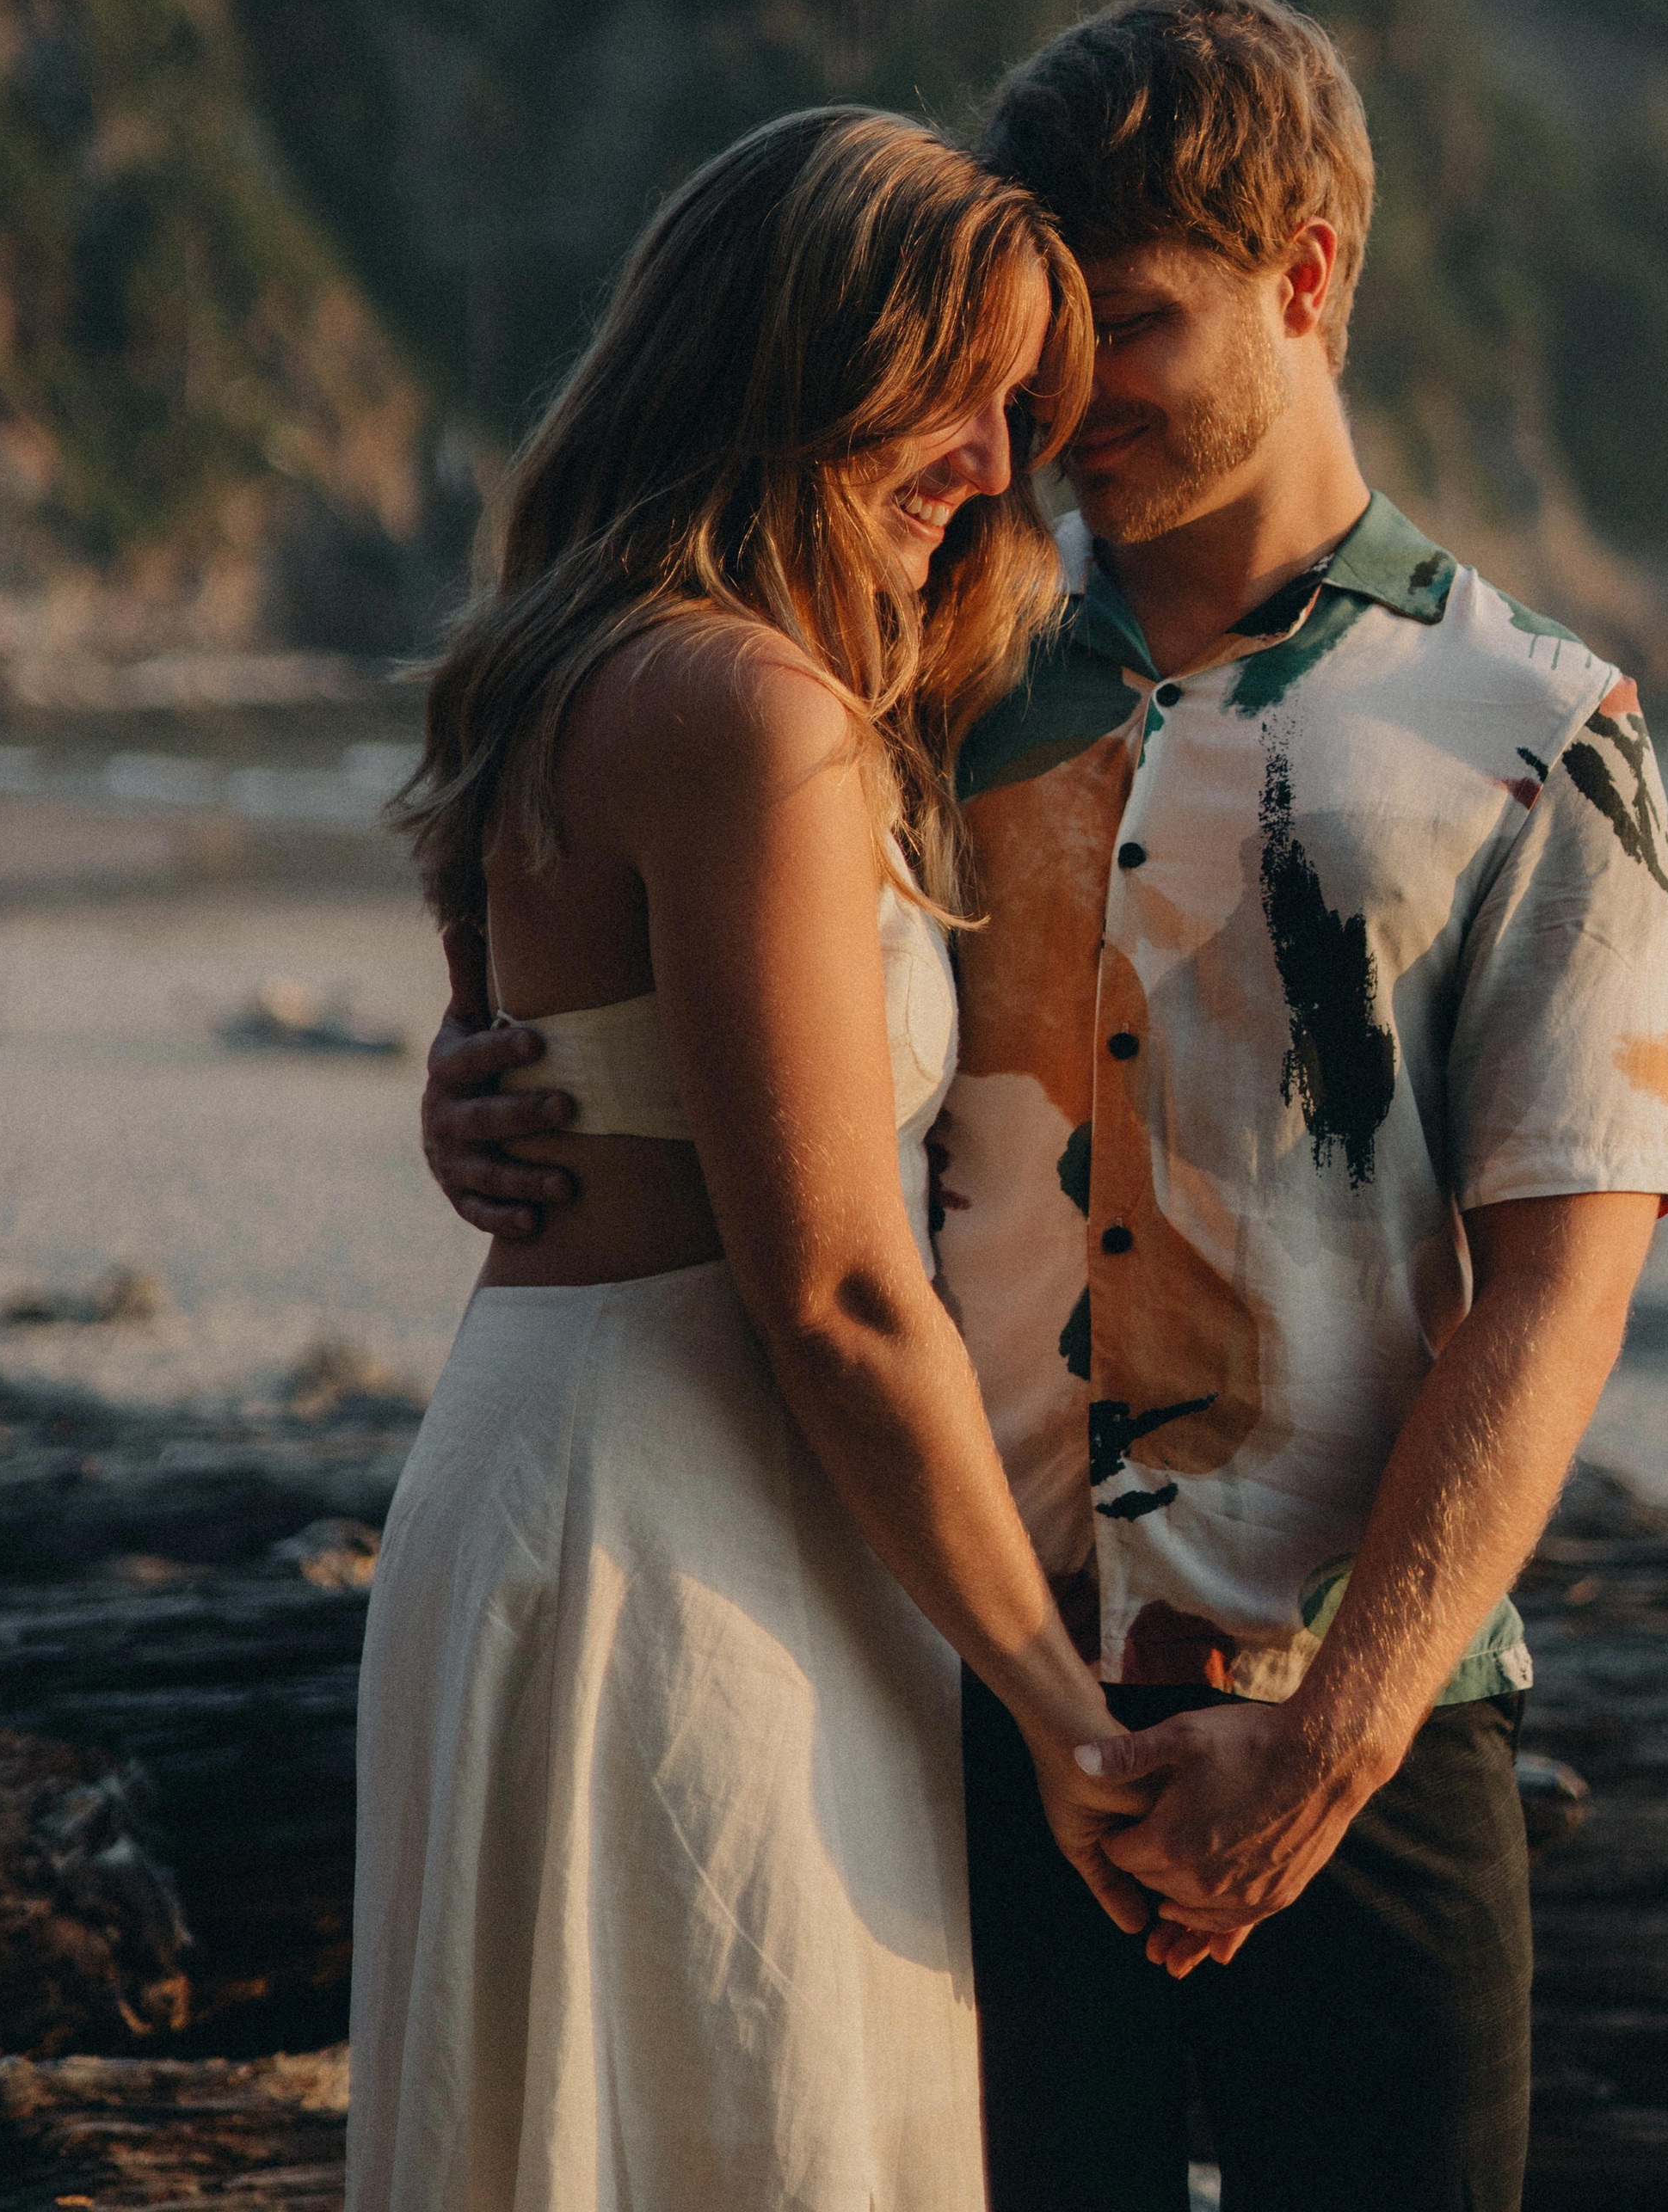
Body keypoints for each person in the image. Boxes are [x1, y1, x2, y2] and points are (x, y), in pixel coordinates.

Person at [423, 0, 1668, 2212]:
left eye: (1131, 327)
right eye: (1033, 369)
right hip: (976, 1716)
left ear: (1309, 278)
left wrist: (1338, 1736)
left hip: (1368, 1742)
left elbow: (1559, 1289)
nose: (1064, 410)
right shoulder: (928, 667)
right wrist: (515, 1081)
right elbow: (660, 914)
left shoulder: (1537, 724)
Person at [349, 107, 1148, 2212]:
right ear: (795, 354)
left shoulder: (577, 669)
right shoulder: (752, 713)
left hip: (580, 1480)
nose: (994, 462)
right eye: (958, 393)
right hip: (677, 1539)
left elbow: (548, 1046)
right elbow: (838, 1289)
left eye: (1020, 415)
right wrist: (1061, 1713)